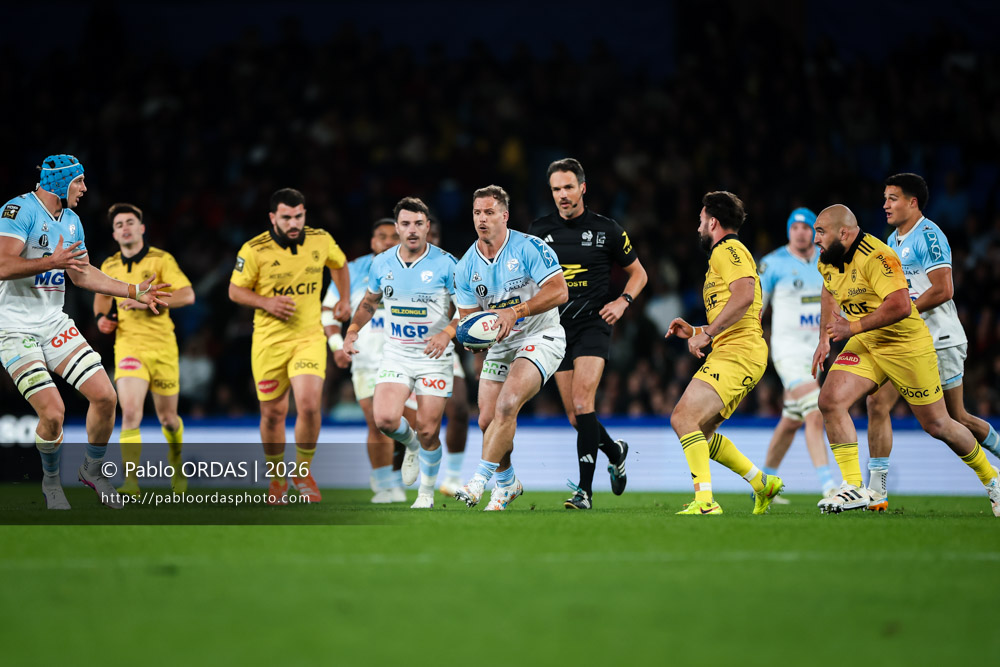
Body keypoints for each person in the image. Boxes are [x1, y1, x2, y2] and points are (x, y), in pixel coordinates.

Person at [0, 154, 168, 509]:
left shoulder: (72, 222)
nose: (84, 188)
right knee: (53, 413)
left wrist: (133, 290)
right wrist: (51, 262)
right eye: (79, 181)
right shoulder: (19, 210)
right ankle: (50, 482)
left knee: (106, 398)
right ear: (60, 182)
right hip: (14, 328)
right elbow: (2, 265)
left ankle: (91, 470)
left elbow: (82, 274)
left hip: (54, 322)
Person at [811, 204, 999, 515]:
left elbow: (900, 306)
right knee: (830, 400)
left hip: (904, 345)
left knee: (939, 424)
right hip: (868, 343)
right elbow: (829, 289)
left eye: (821, 232)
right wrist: (823, 337)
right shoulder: (829, 257)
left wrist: (851, 326)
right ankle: (854, 487)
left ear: (843, 233)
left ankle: (993, 479)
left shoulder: (878, 256)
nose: (816, 239)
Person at [865, 174, 1000, 511]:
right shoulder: (893, 241)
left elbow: (944, 289)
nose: (885, 204)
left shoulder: (929, 235)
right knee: (877, 403)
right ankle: (876, 491)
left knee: (953, 420)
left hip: (940, 338)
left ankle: (993, 479)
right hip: (907, 340)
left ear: (913, 202)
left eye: (892, 198)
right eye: (884, 198)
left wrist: (902, 309)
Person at [529, 158, 647, 510]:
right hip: (555, 330)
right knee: (575, 417)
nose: (562, 195)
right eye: (555, 189)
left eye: (568, 187)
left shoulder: (607, 229)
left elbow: (638, 274)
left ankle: (584, 492)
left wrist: (623, 301)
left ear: (583, 187)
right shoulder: (538, 232)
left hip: (593, 326)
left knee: (583, 404)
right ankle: (615, 450)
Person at [665, 191, 784, 515]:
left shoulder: (726, 249)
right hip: (738, 350)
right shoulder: (730, 254)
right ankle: (762, 483)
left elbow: (744, 295)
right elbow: (739, 310)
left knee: (682, 417)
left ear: (713, 221)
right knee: (700, 430)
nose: (699, 227)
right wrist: (697, 331)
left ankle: (705, 502)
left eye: (701, 220)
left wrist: (710, 334)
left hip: (738, 352)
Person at [229, 188, 350, 505]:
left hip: (309, 337)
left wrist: (345, 298)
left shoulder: (320, 239)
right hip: (269, 342)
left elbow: (339, 264)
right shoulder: (255, 249)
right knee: (273, 413)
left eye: (299, 216)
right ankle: (277, 479)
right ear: (273, 218)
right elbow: (235, 291)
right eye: (286, 217)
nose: (294, 222)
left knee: (309, 405)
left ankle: (303, 472)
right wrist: (265, 301)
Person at [452, 185, 568, 511]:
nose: (482, 219)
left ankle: (478, 480)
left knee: (508, 405)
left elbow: (559, 291)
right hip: (501, 346)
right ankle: (507, 483)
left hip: (540, 335)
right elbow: (467, 320)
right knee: (487, 420)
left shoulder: (530, 248)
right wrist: (474, 340)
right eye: (477, 213)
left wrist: (514, 312)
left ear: (505, 215)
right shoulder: (465, 267)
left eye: (489, 212)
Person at [343, 197, 458, 509]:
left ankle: (426, 494)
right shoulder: (382, 263)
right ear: (397, 228)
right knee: (384, 420)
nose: (412, 230)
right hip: (396, 354)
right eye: (405, 224)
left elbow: (468, 310)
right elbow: (369, 302)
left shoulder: (447, 263)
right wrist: (352, 330)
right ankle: (412, 446)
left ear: (427, 227)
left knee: (429, 429)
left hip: (433, 357)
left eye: (418, 224)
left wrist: (447, 334)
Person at [95, 203, 195, 497]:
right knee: (130, 413)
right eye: (118, 225)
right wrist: (102, 319)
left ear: (141, 228)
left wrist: (145, 301)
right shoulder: (109, 266)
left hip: (162, 346)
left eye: (129, 222)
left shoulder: (161, 259)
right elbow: (101, 299)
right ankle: (131, 483)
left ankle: (176, 464)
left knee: (168, 419)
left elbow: (188, 295)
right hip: (129, 346)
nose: (124, 227)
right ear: (114, 234)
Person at [322, 217, 415, 504]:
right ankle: (386, 485)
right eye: (381, 236)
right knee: (378, 424)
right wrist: (337, 345)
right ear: (372, 241)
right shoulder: (350, 271)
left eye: (392, 236)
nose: (387, 241)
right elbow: (327, 312)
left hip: (408, 358)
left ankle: (395, 477)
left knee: (409, 425)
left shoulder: (418, 269)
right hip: (367, 361)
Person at [757, 208, 837, 501]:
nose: (802, 233)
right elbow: (756, 309)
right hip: (787, 351)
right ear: (789, 231)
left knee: (792, 419)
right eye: (796, 228)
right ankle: (829, 485)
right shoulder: (772, 264)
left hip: (818, 350)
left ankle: (763, 485)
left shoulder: (826, 259)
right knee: (815, 411)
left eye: (807, 228)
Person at [428, 219, 472, 496]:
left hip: (441, 346)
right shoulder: (392, 264)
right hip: (401, 351)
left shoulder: (452, 266)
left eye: (434, 233)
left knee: (459, 408)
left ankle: (453, 477)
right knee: (407, 420)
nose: (429, 238)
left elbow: (466, 308)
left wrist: (448, 332)